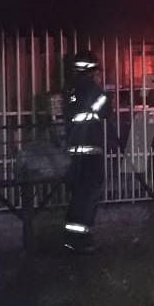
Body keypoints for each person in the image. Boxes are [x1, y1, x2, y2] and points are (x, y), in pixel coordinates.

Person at [63, 50, 110, 253]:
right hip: (91, 154)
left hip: (73, 155)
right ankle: (82, 241)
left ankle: (71, 239)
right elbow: (106, 110)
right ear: (91, 70)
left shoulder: (70, 91)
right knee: (89, 196)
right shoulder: (94, 90)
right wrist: (101, 90)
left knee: (78, 197)